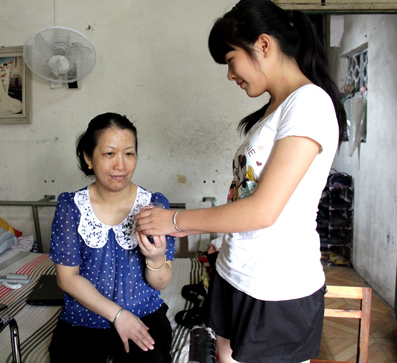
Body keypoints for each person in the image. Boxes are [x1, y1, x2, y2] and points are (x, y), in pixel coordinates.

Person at [135, 0, 346, 362]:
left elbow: (263, 211)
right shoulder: (274, 111)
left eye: (231, 60)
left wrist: (174, 222)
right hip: (236, 272)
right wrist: (223, 239)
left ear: (263, 45)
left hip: (276, 286)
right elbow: (245, 195)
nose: (230, 75)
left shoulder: (309, 104)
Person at [48, 112, 175, 363]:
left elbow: (160, 283)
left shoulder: (154, 206)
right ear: (88, 158)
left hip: (144, 315)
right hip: (83, 319)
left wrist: (157, 257)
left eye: (129, 153)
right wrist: (118, 315)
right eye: (109, 154)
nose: (121, 165)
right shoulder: (70, 207)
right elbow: (67, 278)